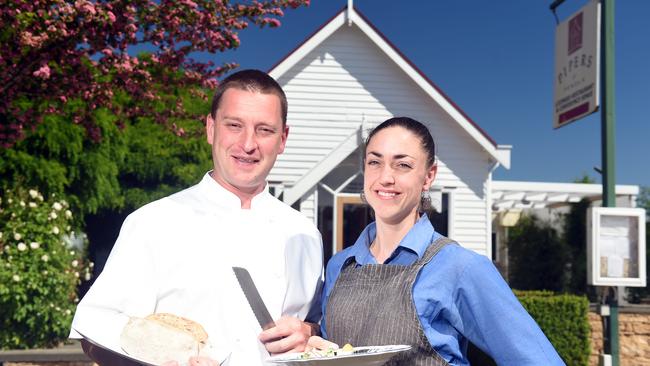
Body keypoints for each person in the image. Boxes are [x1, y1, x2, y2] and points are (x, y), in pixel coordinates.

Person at [70, 69, 323, 366]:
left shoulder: (305, 233)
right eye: (234, 125)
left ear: (283, 139)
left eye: (264, 130)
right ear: (211, 129)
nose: (248, 144)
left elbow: (317, 326)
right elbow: (94, 329)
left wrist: (309, 330)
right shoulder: (153, 222)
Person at [307, 117, 565, 365]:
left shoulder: (459, 267)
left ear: (428, 177)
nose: (385, 177)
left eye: (403, 165)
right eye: (375, 162)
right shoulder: (340, 266)